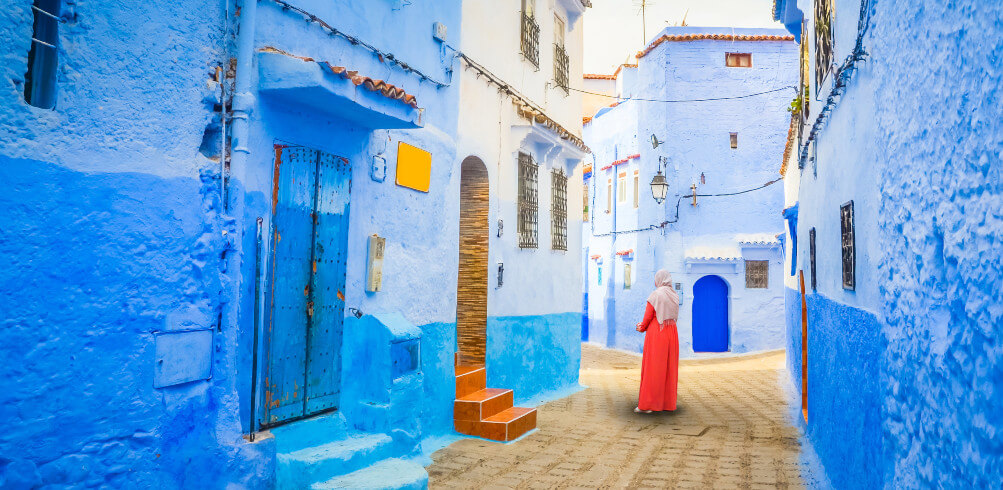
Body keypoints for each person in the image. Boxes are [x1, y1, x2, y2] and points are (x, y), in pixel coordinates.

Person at [634, 269, 679, 413]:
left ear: (659, 279)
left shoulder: (656, 295)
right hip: (671, 332)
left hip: (657, 333)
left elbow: (648, 316)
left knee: (653, 368)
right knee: (668, 368)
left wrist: (641, 327)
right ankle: (667, 404)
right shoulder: (674, 295)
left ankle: (648, 405)